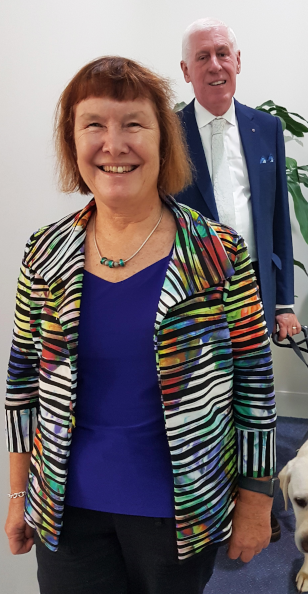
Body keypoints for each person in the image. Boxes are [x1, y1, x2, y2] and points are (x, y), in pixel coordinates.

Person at [4, 56, 278, 594]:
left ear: (163, 140)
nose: (114, 143)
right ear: (72, 141)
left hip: (179, 513)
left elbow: (256, 387)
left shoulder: (218, 253)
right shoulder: (44, 252)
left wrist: (256, 498)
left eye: (133, 124)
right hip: (66, 511)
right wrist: (17, 496)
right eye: (94, 125)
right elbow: (21, 387)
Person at [176, 18, 301, 342]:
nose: (215, 65)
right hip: (191, 287)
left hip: (255, 281)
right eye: (202, 57)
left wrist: (284, 302)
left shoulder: (267, 126)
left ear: (238, 61)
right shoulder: (168, 134)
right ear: (186, 70)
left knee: (254, 380)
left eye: (222, 53)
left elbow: (278, 218)